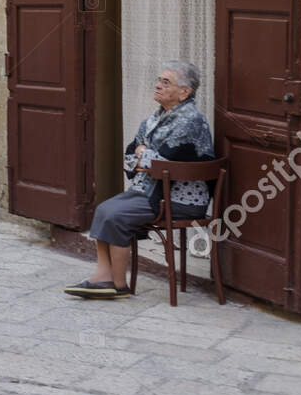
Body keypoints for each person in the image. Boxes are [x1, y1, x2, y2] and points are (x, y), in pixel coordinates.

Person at [64, 61, 215, 299]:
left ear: (184, 92)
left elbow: (160, 163)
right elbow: (130, 153)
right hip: (152, 191)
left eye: (166, 82)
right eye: (159, 80)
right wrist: (142, 156)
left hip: (178, 199)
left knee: (116, 215)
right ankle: (104, 277)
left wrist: (143, 154)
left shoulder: (190, 121)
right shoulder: (155, 118)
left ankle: (118, 284)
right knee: (103, 210)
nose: (157, 86)